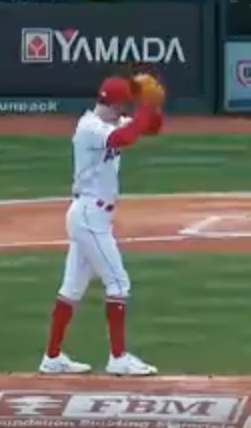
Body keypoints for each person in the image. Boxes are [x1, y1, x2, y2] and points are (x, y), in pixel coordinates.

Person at [39, 75, 164, 376]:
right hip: (89, 215)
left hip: (90, 215)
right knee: (118, 283)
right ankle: (118, 357)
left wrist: (153, 107)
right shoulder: (90, 128)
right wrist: (145, 106)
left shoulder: (111, 121)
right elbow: (123, 138)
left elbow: (151, 128)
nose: (126, 110)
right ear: (116, 103)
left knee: (71, 288)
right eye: (126, 104)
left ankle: (52, 358)